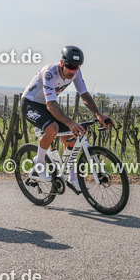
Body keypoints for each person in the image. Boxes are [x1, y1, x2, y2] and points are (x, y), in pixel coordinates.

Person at [21, 46, 113, 190]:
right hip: (30, 103)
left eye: (75, 67)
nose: (72, 71)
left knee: (71, 135)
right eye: (69, 66)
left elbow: (84, 95)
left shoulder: (76, 73)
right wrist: (70, 122)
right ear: (62, 63)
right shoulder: (50, 72)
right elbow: (51, 105)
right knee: (53, 128)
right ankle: (39, 163)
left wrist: (98, 114)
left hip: (47, 104)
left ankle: (71, 178)